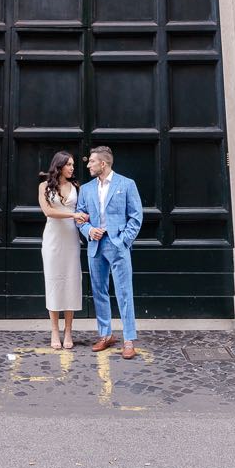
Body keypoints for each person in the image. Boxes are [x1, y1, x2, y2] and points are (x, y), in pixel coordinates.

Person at [76, 145, 143, 360]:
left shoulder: (126, 184)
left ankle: (129, 339)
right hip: (95, 246)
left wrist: (123, 240)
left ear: (102, 164)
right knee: (99, 291)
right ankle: (105, 335)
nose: (88, 165)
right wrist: (88, 230)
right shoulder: (85, 189)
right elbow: (80, 215)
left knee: (124, 292)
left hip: (117, 245)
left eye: (92, 162)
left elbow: (136, 217)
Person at [38, 151, 89, 350]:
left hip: (71, 240)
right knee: (53, 281)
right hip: (52, 240)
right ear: (58, 166)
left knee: (71, 281)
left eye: (73, 165)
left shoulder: (77, 187)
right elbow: (48, 211)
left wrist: (82, 218)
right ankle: (54, 330)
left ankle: (68, 331)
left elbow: (85, 210)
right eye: (68, 164)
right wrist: (73, 215)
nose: (72, 168)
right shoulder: (44, 186)